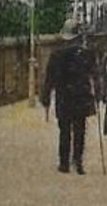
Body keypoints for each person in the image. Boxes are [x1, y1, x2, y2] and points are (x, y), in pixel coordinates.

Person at [42, 21, 102, 173]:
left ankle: (64, 163)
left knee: (64, 130)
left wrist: (46, 97)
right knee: (79, 129)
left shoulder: (56, 55)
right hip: (81, 96)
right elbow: (95, 75)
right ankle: (78, 161)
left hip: (64, 96)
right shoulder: (86, 54)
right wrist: (99, 93)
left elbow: (49, 79)